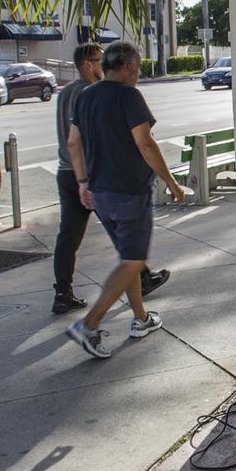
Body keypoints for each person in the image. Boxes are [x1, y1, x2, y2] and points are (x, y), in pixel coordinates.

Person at [65, 41, 185, 359]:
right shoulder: (129, 96)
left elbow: (73, 143)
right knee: (133, 261)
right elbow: (145, 143)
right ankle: (88, 325)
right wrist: (171, 181)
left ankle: (140, 319)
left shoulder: (86, 96)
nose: (139, 73)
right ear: (129, 65)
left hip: (100, 192)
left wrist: (82, 182)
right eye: (140, 66)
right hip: (129, 193)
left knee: (127, 259)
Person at [52, 43, 171, 314]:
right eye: (97, 59)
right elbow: (142, 143)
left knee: (69, 237)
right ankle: (93, 321)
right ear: (87, 64)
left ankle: (63, 292)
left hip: (73, 175)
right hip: (103, 178)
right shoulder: (104, 93)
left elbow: (70, 141)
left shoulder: (69, 93)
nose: (100, 65)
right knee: (128, 249)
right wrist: (85, 180)